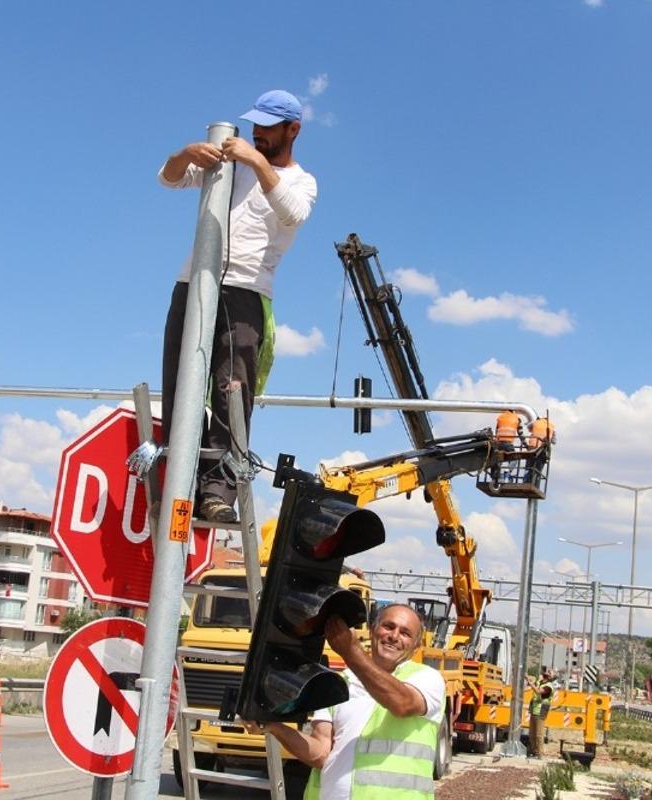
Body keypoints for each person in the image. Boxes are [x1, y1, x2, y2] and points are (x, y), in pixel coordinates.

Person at [159, 89, 318, 523]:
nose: (258, 133)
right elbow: (169, 177)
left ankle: (217, 489)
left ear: (293, 129)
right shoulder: (227, 166)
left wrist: (255, 161)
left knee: (232, 388)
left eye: (268, 126)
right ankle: (178, 476)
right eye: (256, 125)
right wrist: (186, 152)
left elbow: (293, 213)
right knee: (179, 381)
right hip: (194, 280)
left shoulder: (300, 180)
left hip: (247, 290)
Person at [245, 604, 445, 800]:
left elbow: (402, 704)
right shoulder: (339, 684)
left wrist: (350, 651)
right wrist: (275, 727)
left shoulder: (427, 678)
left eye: (405, 633)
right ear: (373, 629)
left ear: (417, 644)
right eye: (389, 626)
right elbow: (321, 753)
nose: (394, 636)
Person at [527, 666, 555, 757]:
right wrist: (528, 678)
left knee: (539, 734)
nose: (542, 676)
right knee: (532, 733)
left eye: (543, 675)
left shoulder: (548, 686)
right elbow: (534, 682)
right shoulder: (540, 682)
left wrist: (531, 684)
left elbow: (539, 692)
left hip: (542, 710)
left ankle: (539, 753)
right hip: (534, 710)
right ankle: (533, 751)